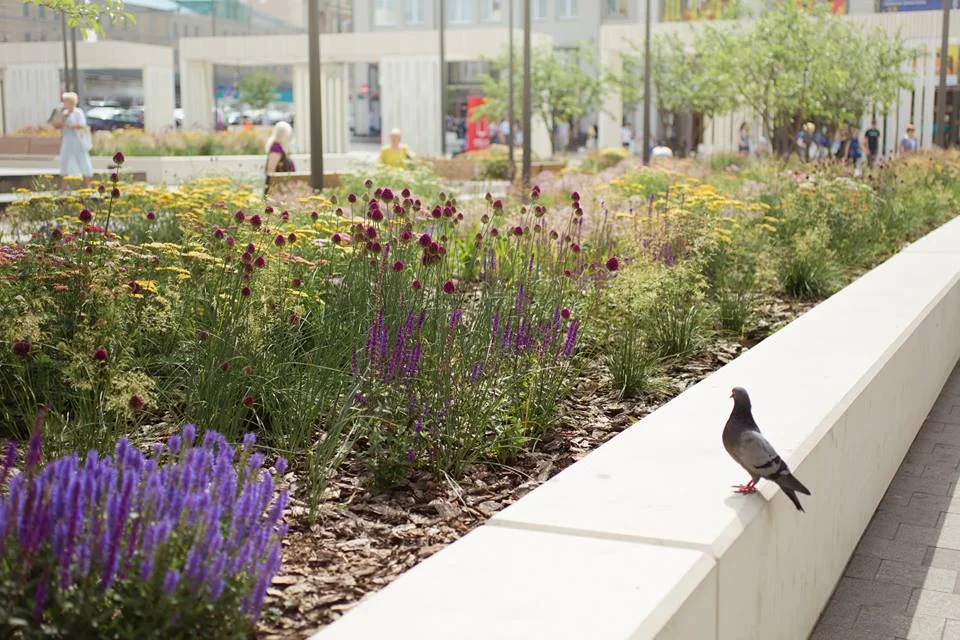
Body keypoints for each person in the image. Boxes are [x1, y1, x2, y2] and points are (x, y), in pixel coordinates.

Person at [52, 92, 93, 190]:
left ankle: (87, 185)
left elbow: (82, 125)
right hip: (67, 140)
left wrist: (69, 126)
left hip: (77, 140)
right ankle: (63, 187)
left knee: (82, 160)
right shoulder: (64, 113)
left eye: (66, 101)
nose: (64, 103)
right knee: (64, 161)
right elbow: (57, 125)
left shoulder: (78, 112)